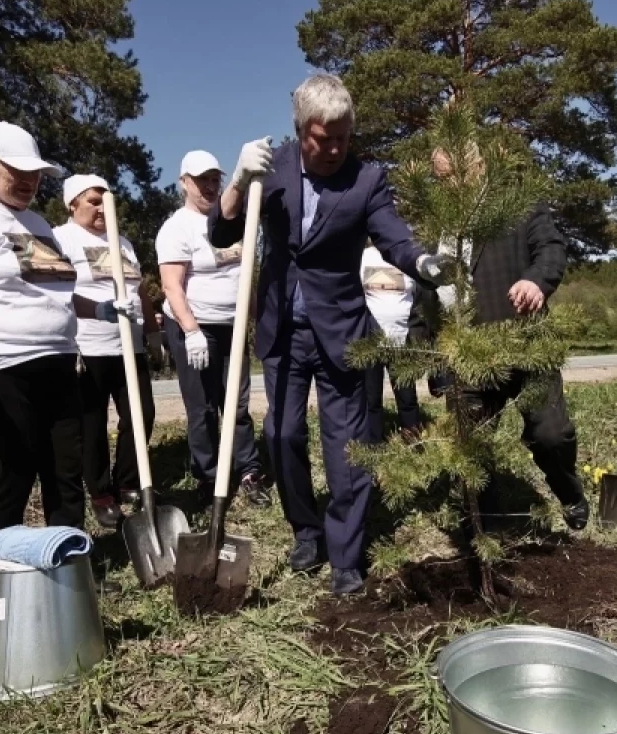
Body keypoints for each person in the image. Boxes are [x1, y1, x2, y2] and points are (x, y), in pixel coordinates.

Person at [210, 74, 452, 594]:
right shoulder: (270, 169)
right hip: (283, 331)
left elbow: (393, 236)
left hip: (342, 331)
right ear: (301, 131)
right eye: (324, 138)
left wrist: (425, 262)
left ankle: (345, 557)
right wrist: (235, 183)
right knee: (281, 435)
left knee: (347, 447)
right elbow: (222, 231)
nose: (335, 148)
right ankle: (306, 530)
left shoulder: (366, 179)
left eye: (343, 136)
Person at [0, 122, 134, 540]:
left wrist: (101, 308)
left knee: (65, 474)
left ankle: (68, 564)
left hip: (57, 363)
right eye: (16, 171)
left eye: (35, 173)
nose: (29, 181)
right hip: (0, 368)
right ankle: (1, 571)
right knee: (13, 473)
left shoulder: (36, 223)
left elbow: (53, 293)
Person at [420, 149, 589, 532]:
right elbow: (426, 296)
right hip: (469, 355)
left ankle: (569, 492)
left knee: (551, 435)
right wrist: (433, 358)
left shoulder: (517, 206)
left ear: (478, 166)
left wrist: (536, 281)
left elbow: (551, 248)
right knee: (473, 448)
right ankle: (491, 530)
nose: (450, 186)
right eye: (441, 179)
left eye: (456, 175)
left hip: (525, 341)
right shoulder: (437, 229)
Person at [157, 150, 270, 506]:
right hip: (194, 328)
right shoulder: (177, 227)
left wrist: (258, 318)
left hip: (231, 328)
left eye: (213, 179)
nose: (208, 186)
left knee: (236, 405)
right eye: (200, 179)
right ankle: (207, 477)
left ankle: (249, 472)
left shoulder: (233, 220)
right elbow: (172, 285)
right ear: (183, 183)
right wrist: (191, 331)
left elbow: (245, 276)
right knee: (202, 407)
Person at [53, 174, 163, 529]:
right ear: (72, 204)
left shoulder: (123, 242)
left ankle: (130, 481)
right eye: (93, 201)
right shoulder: (61, 239)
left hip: (128, 347)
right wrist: (98, 310)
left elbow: (139, 291)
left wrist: (153, 331)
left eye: (106, 201)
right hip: (89, 345)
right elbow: (54, 291)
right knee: (92, 424)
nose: (101, 208)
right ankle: (101, 494)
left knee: (141, 414)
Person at [360, 238, 423, 443]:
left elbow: (420, 298)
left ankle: (414, 444)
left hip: (402, 340)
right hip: (371, 341)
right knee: (371, 400)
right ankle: (375, 448)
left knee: (408, 398)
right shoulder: (364, 257)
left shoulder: (407, 258)